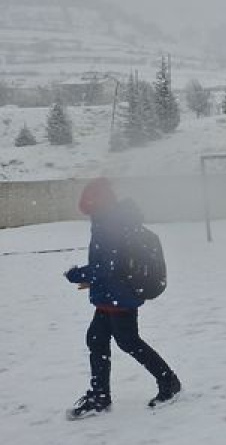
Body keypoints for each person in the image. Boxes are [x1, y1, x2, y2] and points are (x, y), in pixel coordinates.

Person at [65, 178, 180, 419]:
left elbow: (107, 265)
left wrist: (78, 274)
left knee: (128, 342)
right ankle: (100, 396)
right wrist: (94, 278)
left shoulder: (109, 223)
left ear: (96, 203)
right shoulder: (109, 220)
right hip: (112, 295)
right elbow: (111, 264)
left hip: (120, 296)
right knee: (97, 339)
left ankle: (169, 382)